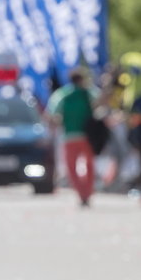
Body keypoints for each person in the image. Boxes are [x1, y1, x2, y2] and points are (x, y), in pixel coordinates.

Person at [47, 68, 97, 206]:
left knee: (71, 168)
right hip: (87, 135)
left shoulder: (62, 94)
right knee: (90, 165)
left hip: (69, 136)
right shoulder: (88, 92)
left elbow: (52, 113)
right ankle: (88, 191)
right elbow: (100, 102)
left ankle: (82, 194)